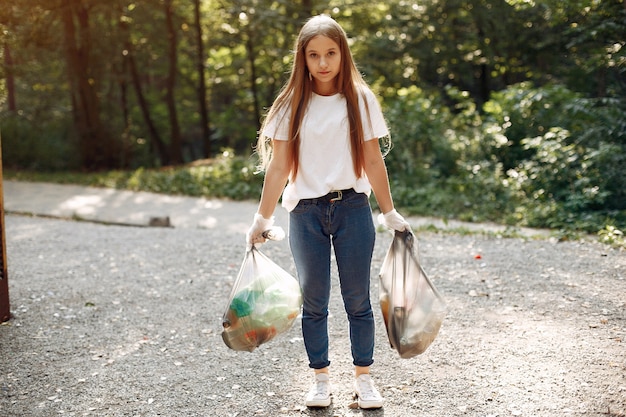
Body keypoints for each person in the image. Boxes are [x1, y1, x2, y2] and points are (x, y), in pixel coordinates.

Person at [246, 14, 410, 410]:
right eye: (314, 55)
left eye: (331, 53)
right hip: (304, 214)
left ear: (343, 54)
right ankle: (320, 380)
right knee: (315, 303)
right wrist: (262, 218)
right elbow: (279, 167)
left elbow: (373, 160)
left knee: (358, 301)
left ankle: (364, 380)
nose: (322, 63)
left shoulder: (360, 99)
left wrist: (389, 213)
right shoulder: (290, 104)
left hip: (353, 208)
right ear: (302, 58)